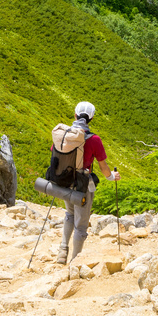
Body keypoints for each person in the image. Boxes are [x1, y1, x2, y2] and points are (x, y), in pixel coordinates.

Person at [56, 101, 119, 265]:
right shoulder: (94, 140)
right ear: (91, 118)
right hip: (82, 185)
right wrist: (112, 176)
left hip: (65, 181)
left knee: (69, 214)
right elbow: (103, 167)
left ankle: (62, 251)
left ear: (75, 115)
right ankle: (75, 263)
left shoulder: (65, 135)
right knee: (81, 226)